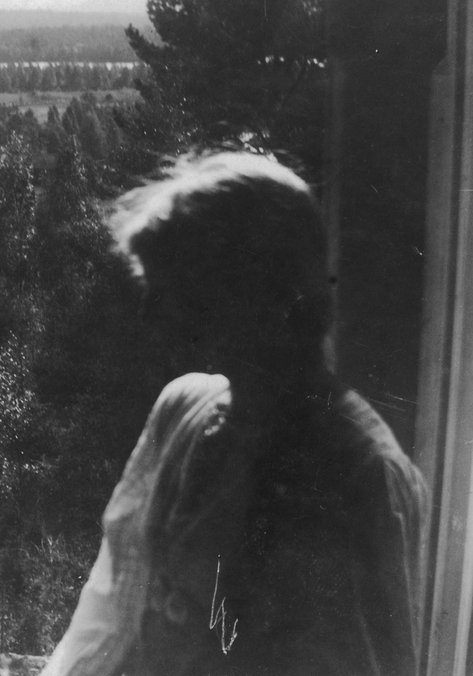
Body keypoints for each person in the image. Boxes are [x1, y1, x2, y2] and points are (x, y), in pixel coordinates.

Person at [41, 152, 427, 676]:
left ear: (254, 291)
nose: (149, 314)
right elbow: (110, 610)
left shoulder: (359, 477)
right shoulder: (184, 410)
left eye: (173, 290)